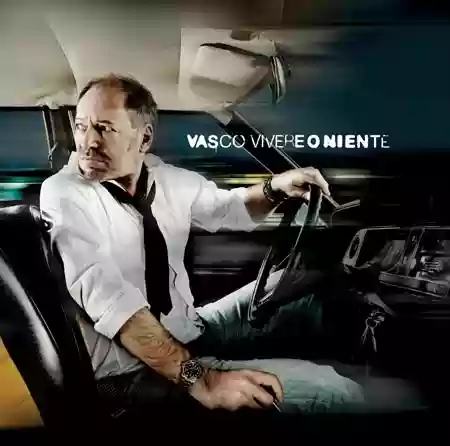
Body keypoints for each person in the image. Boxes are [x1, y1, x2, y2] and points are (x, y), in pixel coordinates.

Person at [40, 74, 422, 416]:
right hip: (131, 372)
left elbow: (229, 208)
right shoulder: (65, 193)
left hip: (189, 327)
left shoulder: (164, 179)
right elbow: (113, 303)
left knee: (310, 297)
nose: (88, 142)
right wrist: (202, 380)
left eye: (104, 128)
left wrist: (276, 188)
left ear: (144, 138)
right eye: (82, 126)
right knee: (334, 392)